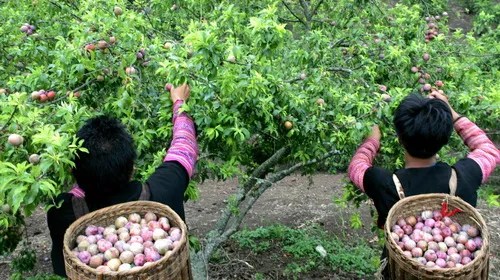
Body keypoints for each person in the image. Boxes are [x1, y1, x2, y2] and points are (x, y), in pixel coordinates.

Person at [46, 84, 198, 277]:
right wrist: (179, 102)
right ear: (132, 171)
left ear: (72, 173)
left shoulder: (62, 212)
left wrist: (79, 170)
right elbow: (184, 146)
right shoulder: (164, 190)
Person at [348, 92, 499, 278]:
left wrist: (373, 140)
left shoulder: (384, 183)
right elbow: (488, 150)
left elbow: (356, 167)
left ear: (400, 139)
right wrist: (453, 114)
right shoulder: (463, 177)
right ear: (445, 138)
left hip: (400, 272)